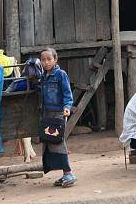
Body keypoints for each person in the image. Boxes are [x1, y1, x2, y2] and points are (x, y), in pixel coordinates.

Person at [39, 48, 76, 188]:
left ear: (56, 59)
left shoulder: (60, 74)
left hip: (58, 114)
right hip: (47, 114)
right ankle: (64, 174)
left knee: (58, 142)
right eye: (43, 59)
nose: (46, 62)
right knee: (49, 142)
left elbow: (67, 94)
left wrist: (67, 107)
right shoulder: (43, 76)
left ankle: (68, 173)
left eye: (49, 59)